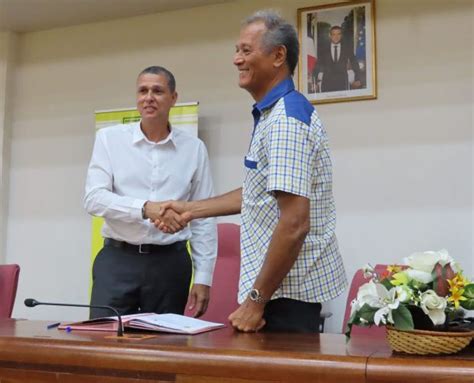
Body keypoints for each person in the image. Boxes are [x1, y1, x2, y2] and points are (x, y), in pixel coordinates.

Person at [155, 11, 347, 333]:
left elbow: (295, 223)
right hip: (277, 294)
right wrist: (191, 209)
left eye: (245, 50)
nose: (236, 60)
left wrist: (256, 300)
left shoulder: (286, 120)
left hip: (283, 299)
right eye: (236, 50)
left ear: (278, 56)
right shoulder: (272, 115)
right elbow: (260, 194)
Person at [84, 66, 217, 319]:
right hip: (117, 260)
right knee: (104, 345)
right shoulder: (109, 139)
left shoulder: (194, 148)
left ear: (173, 98)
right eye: (143, 91)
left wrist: (204, 277)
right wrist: (146, 208)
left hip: (169, 264)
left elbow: (203, 216)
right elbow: (93, 199)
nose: (149, 97)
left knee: (164, 349)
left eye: (157, 91)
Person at [313, 25, 362, 92]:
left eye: (338, 34)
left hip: (343, 83)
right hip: (327, 84)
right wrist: (314, 82)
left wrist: (357, 79)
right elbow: (317, 66)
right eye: (334, 34)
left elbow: (354, 63)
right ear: (330, 35)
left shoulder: (347, 48)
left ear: (341, 35)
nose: (336, 37)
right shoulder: (323, 49)